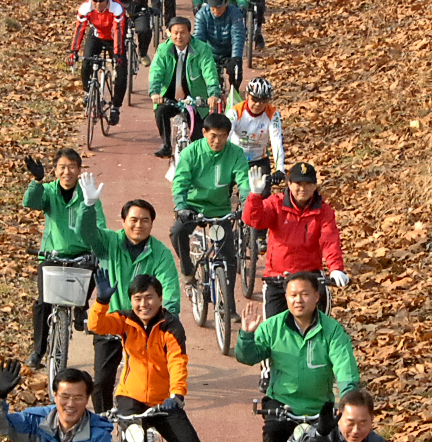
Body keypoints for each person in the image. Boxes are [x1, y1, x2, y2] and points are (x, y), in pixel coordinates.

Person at [87, 274, 206, 442]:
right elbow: (96, 326)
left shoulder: (171, 326)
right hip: (130, 396)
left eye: (149, 297)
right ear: (131, 301)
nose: (144, 304)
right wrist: (101, 301)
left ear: (160, 299)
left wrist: (177, 394)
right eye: (137, 299)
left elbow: (177, 361)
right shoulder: (125, 320)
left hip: (165, 401)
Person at [233, 271, 361, 442]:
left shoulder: (332, 331)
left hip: (319, 406)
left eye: (304, 294)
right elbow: (248, 357)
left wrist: (348, 398)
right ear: (286, 298)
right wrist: (246, 336)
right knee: (272, 432)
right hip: (282, 402)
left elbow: (345, 367)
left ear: (317, 297)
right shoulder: (272, 327)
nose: (298, 300)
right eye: (292, 295)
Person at [87, 196, 181, 411]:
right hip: (112, 320)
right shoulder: (108, 242)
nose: (139, 225)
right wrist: (89, 206)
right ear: (123, 221)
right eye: (134, 219)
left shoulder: (161, 253)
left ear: (152, 223)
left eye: (145, 220)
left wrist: (170, 317)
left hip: (145, 326)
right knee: (101, 383)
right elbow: (87, 231)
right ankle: (103, 426)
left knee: (152, 382)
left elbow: (170, 289)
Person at [20, 149, 102, 366]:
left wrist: (98, 248)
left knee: (96, 269)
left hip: (81, 255)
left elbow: (99, 223)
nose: (67, 172)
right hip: (52, 254)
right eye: (62, 167)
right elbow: (30, 202)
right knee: (43, 303)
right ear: (55, 170)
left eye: (72, 167)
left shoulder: (87, 192)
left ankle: (80, 308)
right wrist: (37, 181)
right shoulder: (48, 191)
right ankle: (38, 351)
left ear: (79, 169)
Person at [169, 111, 249, 316]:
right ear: (203, 132)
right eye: (213, 135)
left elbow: (243, 182)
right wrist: (181, 207)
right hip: (193, 208)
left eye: (223, 136)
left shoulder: (236, 154)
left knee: (228, 258)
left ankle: (228, 304)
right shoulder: (191, 153)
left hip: (220, 210)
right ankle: (187, 271)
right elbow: (180, 182)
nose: (217, 140)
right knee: (177, 232)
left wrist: (248, 203)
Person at [242, 161, 346, 318]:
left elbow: (329, 240)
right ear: (289, 184)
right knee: (274, 334)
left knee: (318, 331)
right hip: (277, 279)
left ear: (315, 186)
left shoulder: (323, 211)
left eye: (307, 184)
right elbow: (253, 220)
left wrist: (336, 268)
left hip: (310, 278)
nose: (302, 189)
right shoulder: (276, 204)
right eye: (298, 183)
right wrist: (255, 195)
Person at [147, 17, 224, 159]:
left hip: (196, 99)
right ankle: (166, 145)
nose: (179, 36)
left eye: (183, 32)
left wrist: (213, 94)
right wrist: (154, 92)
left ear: (190, 33)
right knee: (160, 112)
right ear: (169, 33)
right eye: (175, 33)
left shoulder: (202, 49)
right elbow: (156, 72)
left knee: (198, 139)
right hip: (169, 97)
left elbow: (210, 73)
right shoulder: (163, 50)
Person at [70, 0, 128, 124]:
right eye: (94, 0)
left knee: (121, 72)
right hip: (96, 36)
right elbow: (79, 30)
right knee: (86, 65)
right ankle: (87, 93)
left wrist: (117, 55)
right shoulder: (86, 7)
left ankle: (116, 106)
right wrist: (73, 51)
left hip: (114, 38)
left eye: (101, 1)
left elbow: (118, 32)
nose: (97, 4)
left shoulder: (116, 7)